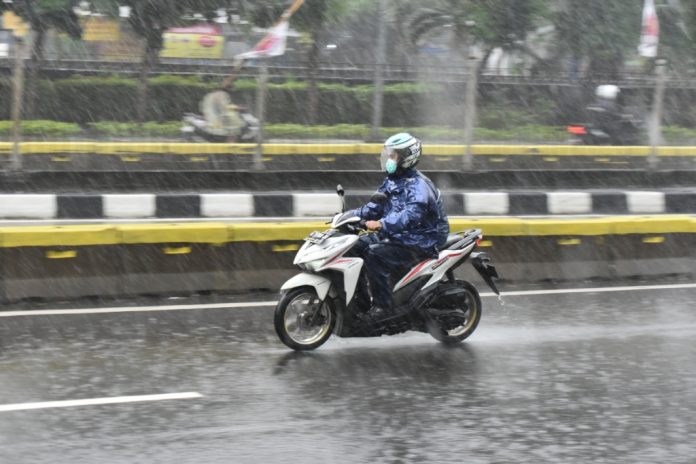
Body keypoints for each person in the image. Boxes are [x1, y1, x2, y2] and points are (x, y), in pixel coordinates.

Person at [347, 133, 450, 323]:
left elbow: (411, 215)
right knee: (354, 246)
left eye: (393, 155)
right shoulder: (393, 180)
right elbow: (374, 207)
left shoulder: (419, 186)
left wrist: (382, 224)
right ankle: (360, 302)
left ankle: (382, 308)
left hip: (421, 238)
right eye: (389, 154)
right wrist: (348, 216)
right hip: (399, 234)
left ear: (406, 157)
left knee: (374, 254)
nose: (389, 159)